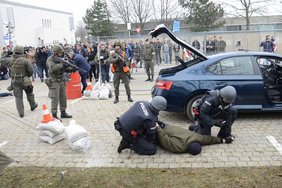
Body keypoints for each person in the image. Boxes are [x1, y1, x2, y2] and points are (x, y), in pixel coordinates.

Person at [0, 46, 38, 118]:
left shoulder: (10, 60)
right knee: (29, 93)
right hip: (25, 81)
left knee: (18, 97)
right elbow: (31, 71)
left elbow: (1, 59)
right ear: (22, 51)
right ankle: (33, 105)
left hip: (15, 81)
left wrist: (7, 53)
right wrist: (27, 76)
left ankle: (21, 113)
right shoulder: (25, 60)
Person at [156, 122, 228, 155]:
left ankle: (193, 127)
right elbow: (164, 138)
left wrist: (223, 140)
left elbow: (209, 139)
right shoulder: (179, 148)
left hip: (165, 126)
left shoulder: (197, 137)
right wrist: (157, 127)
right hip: (162, 128)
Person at [46, 45, 73, 120]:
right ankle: (54, 114)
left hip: (61, 79)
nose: (61, 54)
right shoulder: (50, 59)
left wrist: (71, 69)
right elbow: (52, 68)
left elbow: (66, 68)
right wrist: (62, 64)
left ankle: (63, 112)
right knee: (55, 98)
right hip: (54, 80)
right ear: (55, 53)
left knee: (63, 97)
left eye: (61, 52)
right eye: (59, 53)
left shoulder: (62, 59)